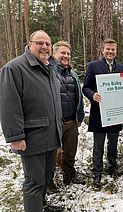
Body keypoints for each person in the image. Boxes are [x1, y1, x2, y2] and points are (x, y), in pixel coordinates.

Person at [0, 30, 63, 211]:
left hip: (52, 135)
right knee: (34, 182)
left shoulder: (50, 67)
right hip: (32, 138)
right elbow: (8, 105)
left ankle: (41, 206)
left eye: (48, 44)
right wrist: (15, 136)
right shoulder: (14, 68)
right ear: (30, 44)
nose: (44, 47)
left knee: (45, 177)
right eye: (40, 43)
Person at [82, 38, 123, 187]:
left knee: (113, 144)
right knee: (98, 146)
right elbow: (85, 87)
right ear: (102, 50)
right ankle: (97, 173)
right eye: (108, 49)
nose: (110, 52)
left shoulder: (121, 68)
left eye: (113, 49)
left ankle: (112, 168)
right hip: (98, 113)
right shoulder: (93, 66)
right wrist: (92, 95)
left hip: (115, 113)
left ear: (116, 51)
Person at [52, 41, 85, 186]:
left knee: (70, 152)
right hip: (54, 123)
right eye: (62, 53)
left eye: (68, 54)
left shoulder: (74, 75)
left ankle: (69, 175)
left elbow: (79, 97)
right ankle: (49, 181)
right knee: (51, 154)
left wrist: (80, 116)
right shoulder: (48, 73)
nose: (66, 56)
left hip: (71, 121)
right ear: (54, 54)